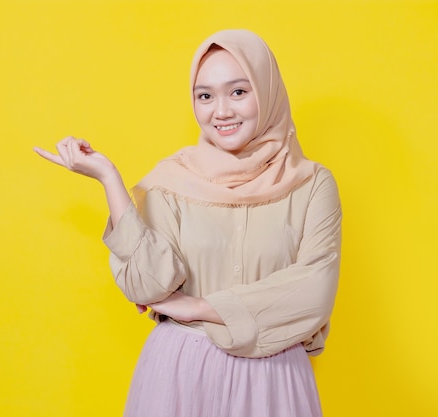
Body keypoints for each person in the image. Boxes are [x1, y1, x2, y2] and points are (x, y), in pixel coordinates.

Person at [34, 29, 342, 417]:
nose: (221, 111)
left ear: (267, 91)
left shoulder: (312, 184)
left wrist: (197, 306)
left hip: (274, 379)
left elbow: (313, 293)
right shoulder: (171, 180)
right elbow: (150, 285)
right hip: (180, 373)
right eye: (205, 95)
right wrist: (109, 178)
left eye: (239, 92)